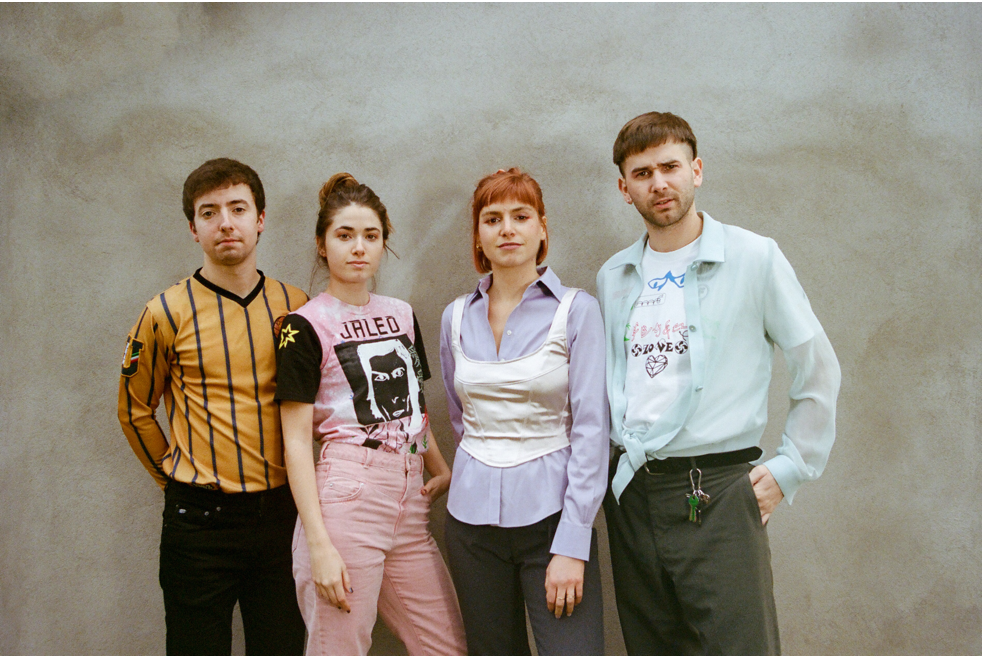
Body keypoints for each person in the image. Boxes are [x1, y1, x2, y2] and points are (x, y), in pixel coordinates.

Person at [597, 112, 842, 655]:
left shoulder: (754, 257)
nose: (659, 183)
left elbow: (818, 367)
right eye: (642, 173)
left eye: (670, 167)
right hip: (633, 495)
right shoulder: (613, 276)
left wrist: (792, 467)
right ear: (624, 188)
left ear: (697, 170)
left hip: (720, 493)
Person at [117, 158, 308, 655]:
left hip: (282, 518)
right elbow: (135, 411)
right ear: (193, 228)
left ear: (260, 219)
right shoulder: (164, 312)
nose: (225, 222)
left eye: (238, 209)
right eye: (209, 212)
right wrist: (176, 478)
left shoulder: (297, 306)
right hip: (199, 525)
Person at [275, 173, 466, 656]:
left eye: (371, 235)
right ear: (322, 245)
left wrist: (438, 466)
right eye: (344, 235)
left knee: (446, 646)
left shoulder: (401, 314)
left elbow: (413, 406)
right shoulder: (303, 326)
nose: (358, 248)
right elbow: (295, 441)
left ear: (384, 243)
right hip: (346, 498)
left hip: (409, 502)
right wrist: (319, 543)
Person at [440, 168, 609, 656]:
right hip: (470, 528)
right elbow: (460, 418)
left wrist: (573, 541)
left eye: (521, 216)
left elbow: (592, 430)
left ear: (542, 228)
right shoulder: (455, 316)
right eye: (492, 219)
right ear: (478, 234)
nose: (507, 229)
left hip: (553, 521)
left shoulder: (577, 310)